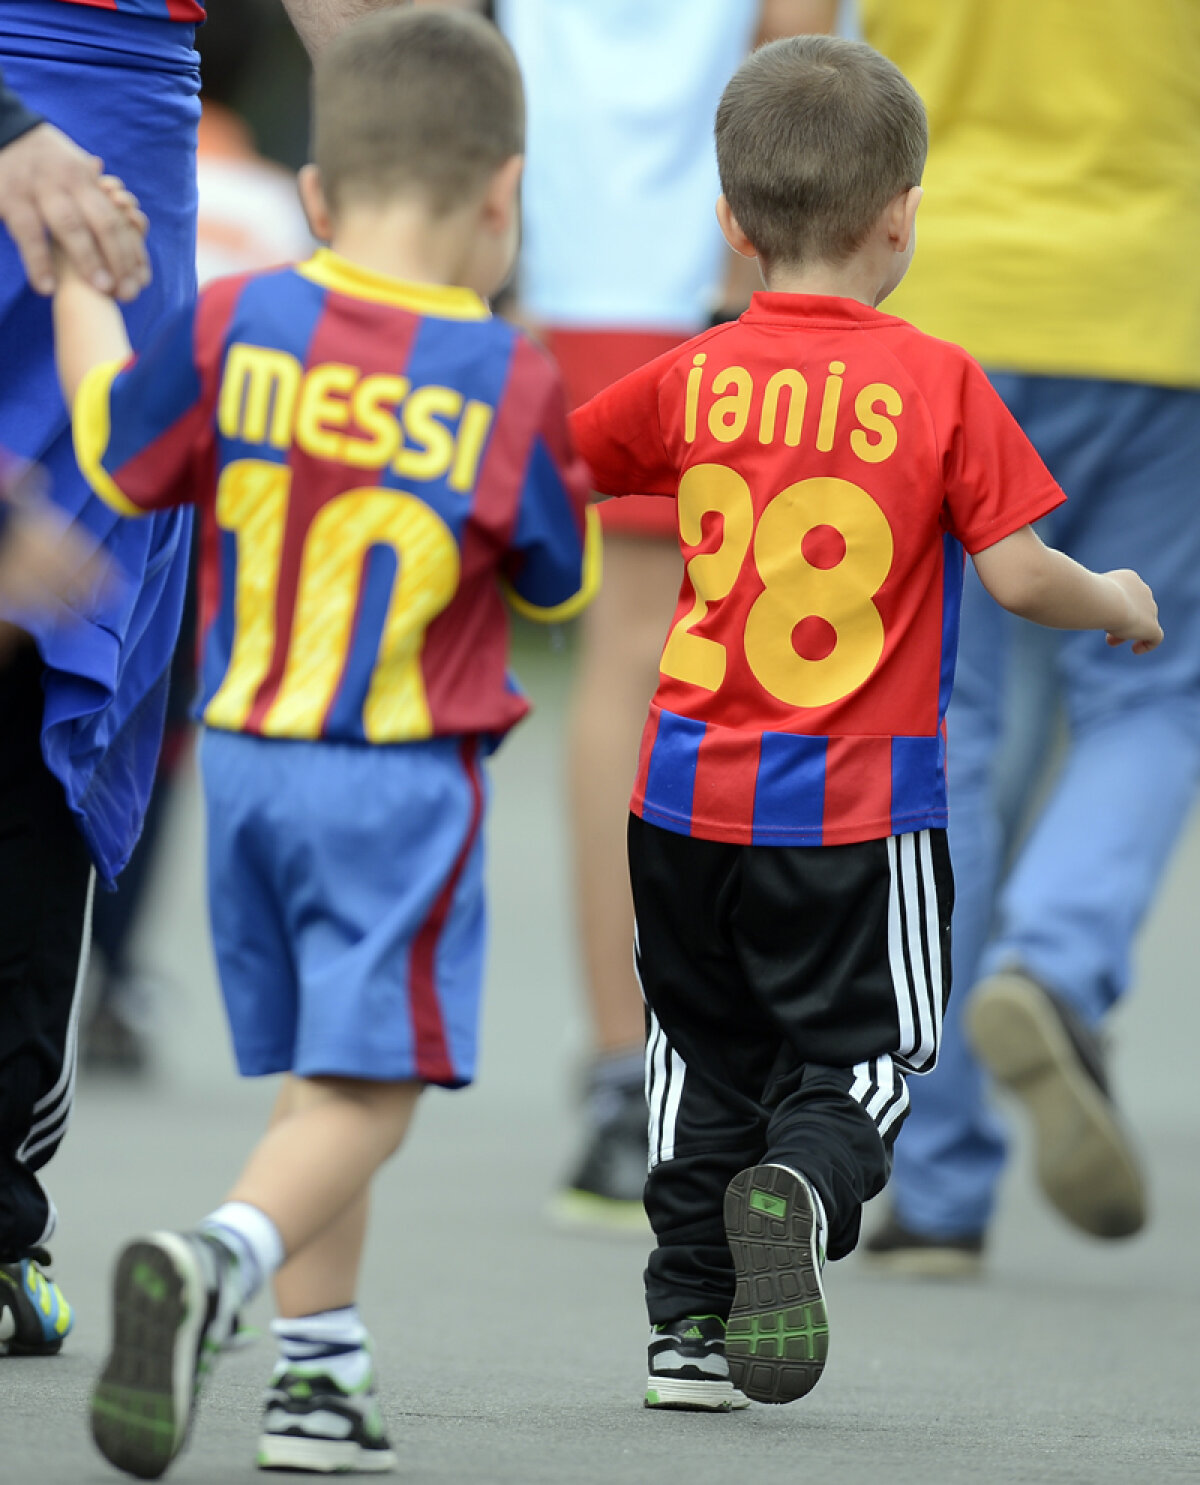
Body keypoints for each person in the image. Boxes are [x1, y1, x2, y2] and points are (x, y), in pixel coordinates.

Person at [568, 34, 1161, 1413]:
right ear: (902, 217)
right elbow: (1017, 575)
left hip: (682, 795)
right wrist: (1117, 598)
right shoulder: (940, 382)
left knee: (698, 1050)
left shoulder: (696, 373)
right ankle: (802, 1185)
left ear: (731, 223)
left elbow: (563, 463)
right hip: (853, 803)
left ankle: (685, 1329)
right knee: (872, 1051)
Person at [54, 9, 594, 1476]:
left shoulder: (238, 327)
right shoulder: (505, 377)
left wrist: (77, 278)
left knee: (321, 1070)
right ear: (503, 197)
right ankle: (220, 1257)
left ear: (313, 194)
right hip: (397, 779)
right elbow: (560, 579)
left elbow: (113, 439)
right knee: (376, 1085)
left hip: (241, 765)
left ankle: (322, 1377)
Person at [0, 0, 401, 1361]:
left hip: (117, 147)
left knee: (62, 650)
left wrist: (407, 129)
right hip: (62, 132)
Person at [817, 0, 1200, 1272]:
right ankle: (1059, 954)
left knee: (953, 728)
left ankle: (935, 1186)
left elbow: (808, 58)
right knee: (1153, 690)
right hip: (1158, 305)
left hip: (946, 301)